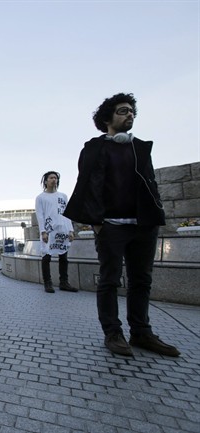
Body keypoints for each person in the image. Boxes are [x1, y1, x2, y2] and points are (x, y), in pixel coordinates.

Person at [64, 92, 180, 357]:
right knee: (109, 280)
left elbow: (150, 183)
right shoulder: (95, 148)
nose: (129, 115)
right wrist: (97, 224)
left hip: (143, 225)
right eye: (123, 111)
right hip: (111, 226)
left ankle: (141, 332)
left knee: (142, 281)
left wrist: (154, 216)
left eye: (131, 112)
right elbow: (87, 186)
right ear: (108, 118)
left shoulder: (140, 147)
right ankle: (113, 333)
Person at [35, 172, 76, 293]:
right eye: (51, 178)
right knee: (46, 256)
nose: (54, 180)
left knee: (63, 257)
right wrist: (43, 231)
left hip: (62, 229)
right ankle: (47, 282)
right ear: (46, 181)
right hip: (49, 230)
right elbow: (40, 215)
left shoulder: (63, 196)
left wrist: (70, 230)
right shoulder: (41, 197)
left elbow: (67, 213)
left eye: (56, 178)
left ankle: (64, 282)